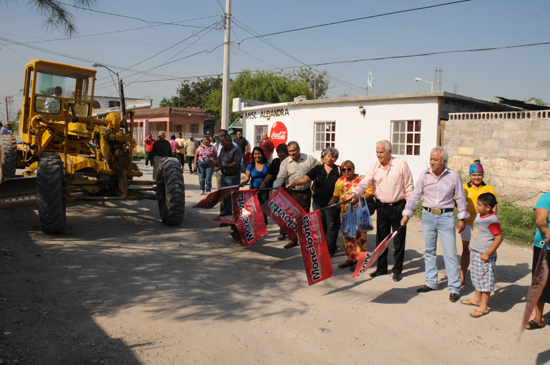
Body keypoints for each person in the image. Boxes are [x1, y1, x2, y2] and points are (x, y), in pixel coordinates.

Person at [401, 147, 469, 303]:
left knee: (450, 253)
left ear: (444, 161)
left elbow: (460, 198)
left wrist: (462, 218)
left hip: (446, 216)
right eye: (431, 158)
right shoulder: (424, 175)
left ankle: (454, 287)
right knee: (429, 250)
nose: (432, 162)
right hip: (428, 215)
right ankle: (431, 282)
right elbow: (415, 195)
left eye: (436, 159)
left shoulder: (453, 176)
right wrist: (407, 213)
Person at [350, 140, 414, 282]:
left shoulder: (401, 164)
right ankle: (381, 267)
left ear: (389, 152)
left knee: (398, 240)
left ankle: (397, 270)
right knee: (381, 239)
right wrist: (355, 193)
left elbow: (409, 187)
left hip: (399, 207)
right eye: (377, 152)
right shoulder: (374, 166)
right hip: (382, 207)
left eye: (381, 152)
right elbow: (365, 182)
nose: (378, 155)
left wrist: (408, 211)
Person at [287, 147, 342, 256]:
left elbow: (348, 181)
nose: (330, 158)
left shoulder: (339, 170)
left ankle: (330, 250)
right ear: (324, 156)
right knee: (320, 226)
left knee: (332, 226)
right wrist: (293, 183)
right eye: (328, 156)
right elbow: (305, 179)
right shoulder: (317, 169)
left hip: (332, 203)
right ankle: (323, 247)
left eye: (333, 156)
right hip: (318, 202)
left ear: (336, 158)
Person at [459, 193, 502, 318]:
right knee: (477, 277)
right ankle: (477, 299)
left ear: (488, 208)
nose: (476, 206)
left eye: (479, 204)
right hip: (475, 252)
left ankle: (483, 306)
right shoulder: (480, 215)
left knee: (485, 280)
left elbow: (498, 238)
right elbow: (477, 232)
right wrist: (472, 244)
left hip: (485, 255)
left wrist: (488, 253)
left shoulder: (492, 221)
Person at [460, 160, 498, 286]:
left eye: (479, 175)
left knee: (481, 251)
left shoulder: (489, 189)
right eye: (474, 175)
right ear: (470, 176)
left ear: (483, 175)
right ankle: (462, 277)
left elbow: (494, 208)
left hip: (483, 228)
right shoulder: (464, 188)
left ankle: (481, 279)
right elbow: (457, 203)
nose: (477, 177)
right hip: (468, 224)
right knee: (466, 250)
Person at [273, 141, 317, 249]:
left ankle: (304, 240)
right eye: (290, 151)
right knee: (289, 218)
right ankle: (292, 240)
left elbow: (318, 169)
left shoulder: (309, 159)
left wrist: (316, 182)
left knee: (303, 218)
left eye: (294, 150)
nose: (292, 153)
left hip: (305, 193)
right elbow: (280, 178)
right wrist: (274, 190)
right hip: (291, 193)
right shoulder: (285, 162)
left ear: (299, 149)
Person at [330, 160, 373, 269]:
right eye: (344, 169)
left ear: (353, 169)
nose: (346, 171)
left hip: (359, 213)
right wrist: (332, 201)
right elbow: (336, 195)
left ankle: (359, 261)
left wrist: (359, 197)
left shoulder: (362, 179)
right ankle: (351, 258)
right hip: (345, 214)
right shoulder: (340, 181)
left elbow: (370, 192)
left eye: (349, 169)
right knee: (347, 237)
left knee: (360, 237)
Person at [525, 192, 550, 330]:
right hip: (545, 246)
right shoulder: (546, 198)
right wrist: (546, 231)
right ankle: (538, 318)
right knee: (541, 283)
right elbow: (541, 220)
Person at [260, 143, 289, 241]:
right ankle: (282, 232)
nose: (280, 154)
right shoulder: (275, 162)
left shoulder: (290, 162)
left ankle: (290, 232)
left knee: (288, 212)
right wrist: (264, 182)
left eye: (282, 152)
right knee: (281, 212)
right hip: (277, 190)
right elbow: (271, 174)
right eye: (278, 152)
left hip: (288, 190)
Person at [211, 134, 243, 221]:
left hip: (233, 177)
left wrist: (223, 167)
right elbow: (219, 161)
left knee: (235, 198)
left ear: (228, 141)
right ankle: (228, 218)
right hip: (224, 177)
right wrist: (214, 163)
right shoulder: (222, 150)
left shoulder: (236, 150)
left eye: (222, 142)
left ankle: (237, 219)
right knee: (225, 198)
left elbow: (236, 163)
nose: (221, 144)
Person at [240, 147, 270, 224]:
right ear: (253, 155)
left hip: (264, 190)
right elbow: (247, 177)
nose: (257, 155)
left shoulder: (267, 165)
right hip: (253, 190)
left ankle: (264, 225)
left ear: (262, 154)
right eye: (255, 154)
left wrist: (266, 184)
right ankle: (255, 225)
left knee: (263, 208)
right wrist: (243, 182)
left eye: (259, 153)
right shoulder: (250, 166)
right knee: (253, 208)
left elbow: (271, 177)